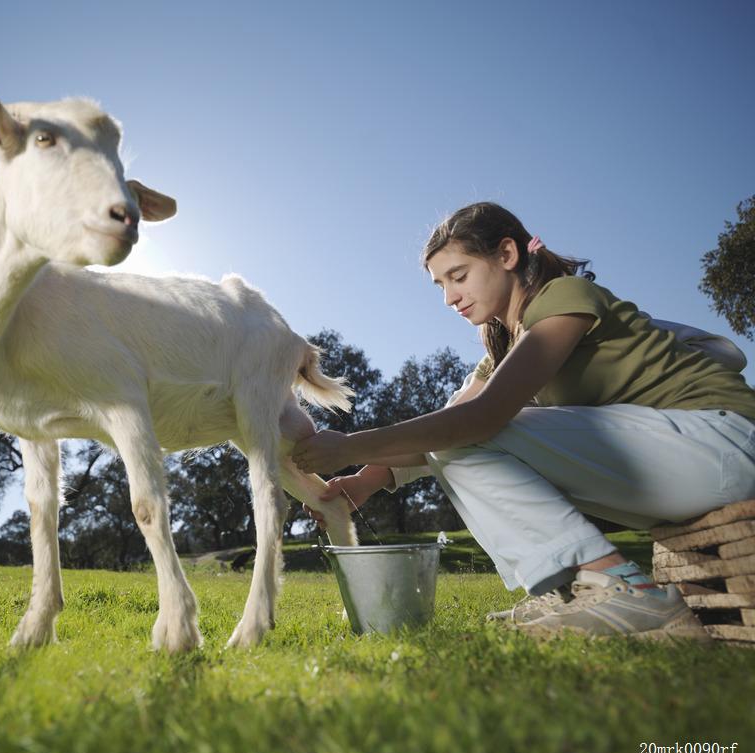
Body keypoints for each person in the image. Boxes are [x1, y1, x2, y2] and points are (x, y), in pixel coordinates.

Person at [292, 202, 755, 641]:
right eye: (441, 286)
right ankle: (577, 589)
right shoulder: (505, 351)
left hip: (727, 444)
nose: (451, 297)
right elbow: (451, 431)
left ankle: (620, 586)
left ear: (507, 254)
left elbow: (481, 421)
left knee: (472, 428)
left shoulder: (566, 298)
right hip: (677, 469)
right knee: (458, 432)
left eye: (459, 276)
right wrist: (366, 481)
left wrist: (350, 444)